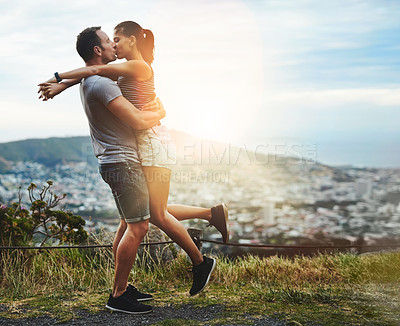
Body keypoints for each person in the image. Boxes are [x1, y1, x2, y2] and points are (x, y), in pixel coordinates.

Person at [38, 25, 229, 314]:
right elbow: (135, 118)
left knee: (133, 221)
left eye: (116, 39)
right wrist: (160, 113)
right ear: (97, 50)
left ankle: (123, 288)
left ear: (131, 40)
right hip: (124, 160)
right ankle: (128, 291)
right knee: (143, 222)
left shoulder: (116, 73)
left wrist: (59, 84)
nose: (113, 45)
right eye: (108, 41)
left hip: (128, 157)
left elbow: (91, 73)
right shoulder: (104, 81)